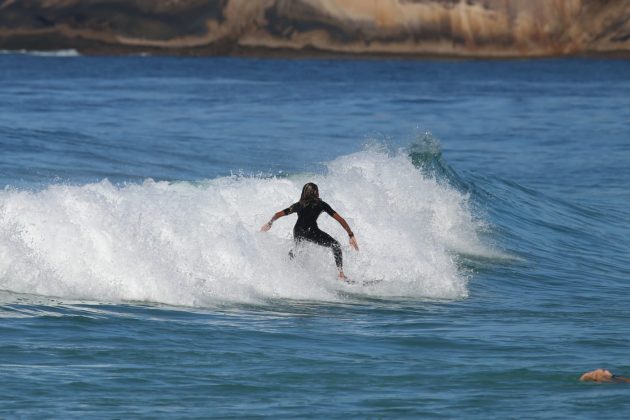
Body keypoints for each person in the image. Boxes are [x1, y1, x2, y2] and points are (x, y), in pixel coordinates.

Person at [260, 182, 359, 280]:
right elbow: (340, 219)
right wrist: (350, 234)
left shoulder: (298, 205)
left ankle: (285, 267)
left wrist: (269, 223)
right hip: (312, 232)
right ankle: (341, 274)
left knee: (296, 249)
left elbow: (278, 214)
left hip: (298, 231)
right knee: (335, 245)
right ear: (316, 192)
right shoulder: (321, 204)